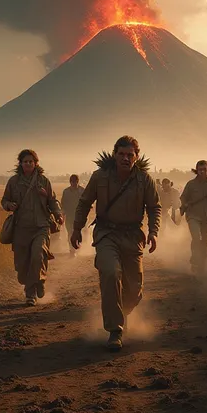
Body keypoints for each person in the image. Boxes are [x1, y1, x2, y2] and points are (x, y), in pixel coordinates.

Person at [71, 135, 161, 351]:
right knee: (111, 273)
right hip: (106, 234)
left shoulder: (144, 179)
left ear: (136, 157)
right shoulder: (100, 177)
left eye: (130, 155)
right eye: (121, 154)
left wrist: (153, 231)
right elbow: (84, 203)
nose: (125, 158)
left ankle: (122, 312)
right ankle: (115, 330)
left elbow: (154, 207)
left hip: (132, 236)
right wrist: (76, 229)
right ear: (114, 155)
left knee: (134, 291)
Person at [1, 149, 63, 306]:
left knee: (37, 255)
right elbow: (4, 200)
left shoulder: (44, 181)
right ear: (20, 164)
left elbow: (53, 201)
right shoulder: (13, 182)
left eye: (31, 161)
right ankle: (37, 281)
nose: (28, 164)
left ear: (36, 163)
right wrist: (9, 205)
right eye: (25, 161)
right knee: (22, 265)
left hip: (41, 226)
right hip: (21, 228)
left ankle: (31, 293)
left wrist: (58, 214)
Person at [180, 161, 207, 278]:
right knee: (196, 237)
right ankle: (195, 259)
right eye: (200, 170)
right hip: (193, 216)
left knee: (204, 242)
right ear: (196, 171)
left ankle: (201, 266)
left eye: (204, 169)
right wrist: (185, 204)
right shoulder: (191, 184)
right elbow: (183, 197)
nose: (202, 171)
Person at [60, 175, 85, 256]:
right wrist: (62, 215)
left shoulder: (82, 191)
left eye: (76, 182)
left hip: (80, 216)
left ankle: (78, 247)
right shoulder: (66, 192)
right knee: (70, 233)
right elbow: (63, 204)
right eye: (73, 182)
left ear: (78, 181)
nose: (74, 184)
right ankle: (72, 250)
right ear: (70, 182)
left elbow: (86, 202)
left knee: (79, 233)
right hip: (70, 216)